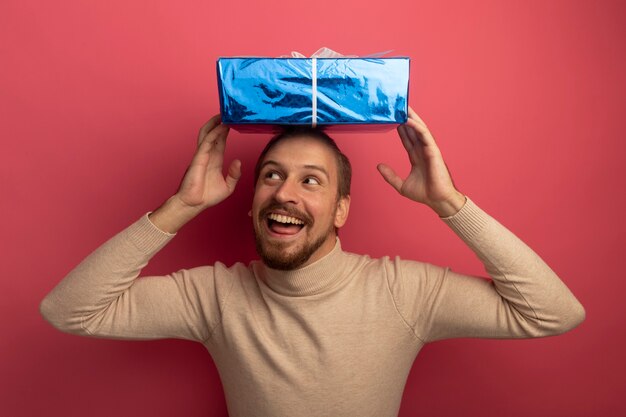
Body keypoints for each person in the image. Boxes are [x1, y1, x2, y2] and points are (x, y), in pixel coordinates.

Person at [40, 108, 585, 417]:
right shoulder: (212, 296)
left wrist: (450, 203)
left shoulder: (402, 291)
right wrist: (179, 207)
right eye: (272, 175)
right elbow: (69, 312)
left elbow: (553, 313)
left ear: (342, 209)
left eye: (311, 181)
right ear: (252, 198)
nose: (285, 194)